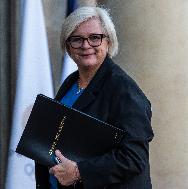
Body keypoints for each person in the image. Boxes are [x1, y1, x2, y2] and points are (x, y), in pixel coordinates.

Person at [35, 6, 154, 189]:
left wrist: (78, 172)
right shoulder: (71, 82)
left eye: (94, 37)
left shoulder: (124, 91)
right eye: (77, 39)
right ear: (67, 46)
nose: (85, 45)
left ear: (108, 41)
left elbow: (134, 157)